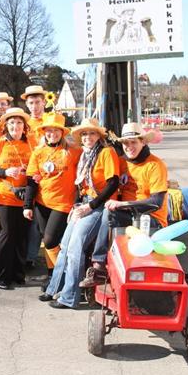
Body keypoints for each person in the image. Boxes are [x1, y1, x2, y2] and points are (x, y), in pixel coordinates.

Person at [41, 119, 120, 309]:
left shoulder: (106, 152)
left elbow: (113, 183)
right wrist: (79, 206)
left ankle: (69, 297)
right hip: (84, 204)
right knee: (65, 246)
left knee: (75, 249)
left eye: (92, 133)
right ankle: (54, 288)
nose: (87, 137)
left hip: (98, 206)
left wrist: (91, 206)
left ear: (99, 136)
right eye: (84, 134)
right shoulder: (86, 155)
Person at [80, 122, 169, 288]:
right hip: (126, 213)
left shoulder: (156, 165)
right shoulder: (121, 162)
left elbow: (156, 203)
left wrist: (123, 204)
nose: (129, 146)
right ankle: (96, 266)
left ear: (143, 142)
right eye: (126, 143)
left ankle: (99, 266)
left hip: (151, 218)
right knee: (97, 216)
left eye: (134, 142)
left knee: (109, 214)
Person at [23, 112, 82, 287]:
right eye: (49, 131)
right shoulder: (38, 152)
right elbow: (31, 180)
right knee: (47, 240)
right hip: (42, 202)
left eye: (56, 131)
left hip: (63, 204)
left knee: (50, 240)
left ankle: (60, 276)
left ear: (62, 132)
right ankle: (54, 276)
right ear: (44, 132)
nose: (52, 134)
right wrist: (27, 205)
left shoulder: (73, 151)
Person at [0, 107, 32, 289]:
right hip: (5, 196)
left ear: (24, 126)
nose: (15, 126)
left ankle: (18, 273)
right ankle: (0, 275)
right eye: (11, 123)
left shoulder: (31, 143)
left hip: (26, 197)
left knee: (21, 236)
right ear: (6, 126)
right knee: (7, 234)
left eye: (19, 123)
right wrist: (4, 172)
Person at [21, 85, 48, 267]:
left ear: (44, 102)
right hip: (27, 175)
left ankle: (41, 256)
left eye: (37, 102)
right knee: (29, 217)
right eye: (31, 103)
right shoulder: (24, 124)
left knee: (43, 218)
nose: (34, 106)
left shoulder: (51, 121)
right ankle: (29, 256)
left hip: (48, 175)